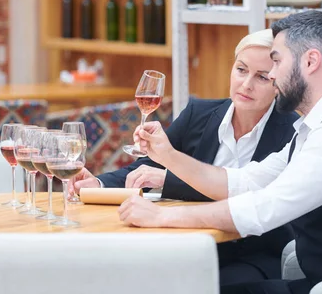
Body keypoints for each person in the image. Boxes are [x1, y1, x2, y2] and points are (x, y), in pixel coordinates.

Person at [117, 10, 322, 294]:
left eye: (276, 62)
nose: (273, 75)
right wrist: (167, 154)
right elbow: (243, 183)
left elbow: (261, 211)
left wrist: (161, 215)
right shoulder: (317, 127)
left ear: (310, 61)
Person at [70, 29, 299, 285]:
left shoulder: (293, 131)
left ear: (279, 83)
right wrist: (98, 184)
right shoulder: (198, 113)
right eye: (241, 70)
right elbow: (147, 167)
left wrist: (168, 181)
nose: (246, 84)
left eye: (262, 77)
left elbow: (249, 194)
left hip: (252, 255)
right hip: (186, 245)